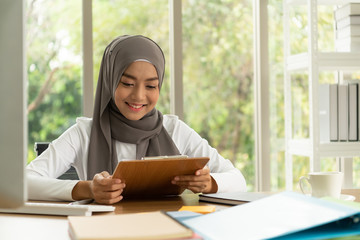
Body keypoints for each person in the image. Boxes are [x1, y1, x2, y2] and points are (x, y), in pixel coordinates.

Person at [26, 35, 247, 204]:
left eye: (151, 86)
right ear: (110, 80)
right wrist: (87, 189)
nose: (139, 96)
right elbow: (24, 182)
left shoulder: (174, 129)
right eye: (127, 84)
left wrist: (210, 183)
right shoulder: (85, 133)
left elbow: (238, 179)